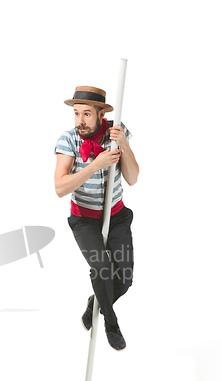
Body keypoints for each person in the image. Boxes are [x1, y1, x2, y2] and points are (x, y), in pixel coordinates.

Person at [54, 86, 139, 351]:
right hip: (85, 220)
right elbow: (59, 188)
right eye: (77, 114)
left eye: (87, 114)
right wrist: (94, 165)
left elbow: (133, 178)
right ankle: (111, 323)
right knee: (102, 267)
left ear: (102, 114)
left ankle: (96, 300)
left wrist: (123, 144)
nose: (80, 120)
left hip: (117, 215)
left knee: (123, 280)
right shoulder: (68, 140)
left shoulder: (116, 132)